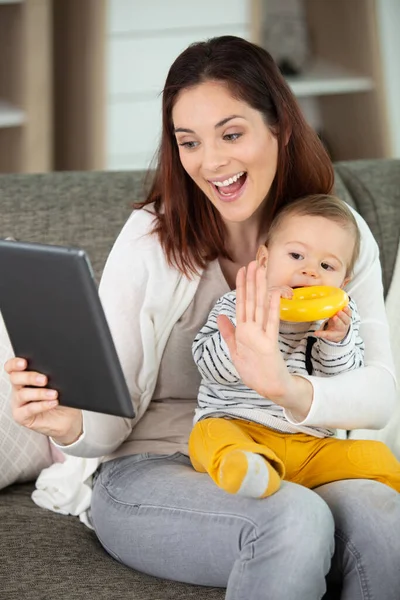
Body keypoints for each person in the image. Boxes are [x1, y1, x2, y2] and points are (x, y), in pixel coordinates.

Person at [5, 35, 400, 600]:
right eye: (188, 142)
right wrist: (66, 423)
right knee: (291, 518)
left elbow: (380, 391)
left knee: (385, 515)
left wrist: (286, 388)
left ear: (280, 128)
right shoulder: (151, 238)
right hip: (153, 468)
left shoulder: (339, 238)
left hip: (292, 454)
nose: (211, 162)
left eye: (232, 134)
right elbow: (108, 420)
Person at [189, 193, 400, 498]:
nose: (310, 271)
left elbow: (342, 384)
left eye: (327, 266)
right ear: (264, 260)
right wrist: (254, 330)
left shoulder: (340, 319)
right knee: (208, 435)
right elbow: (209, 367)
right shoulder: (239, 303)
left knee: (374, 453)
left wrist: (336, 342)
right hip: (241, 426)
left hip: (310, 444)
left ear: (343, 283)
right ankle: (248, 470)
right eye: (296, 256)